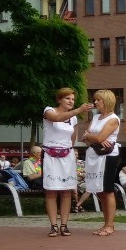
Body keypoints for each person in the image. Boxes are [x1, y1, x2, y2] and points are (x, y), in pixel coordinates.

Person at [42, 87, 94, 236]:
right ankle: (53, 225)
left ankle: (64, 225)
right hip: (50, 154)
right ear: (59, 99)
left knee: (66, 191)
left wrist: (69, 150)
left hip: (66, 154)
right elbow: (57, 118)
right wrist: (78, 110)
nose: (71, 101)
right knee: (51, 191)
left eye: (72, 99)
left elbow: (73, 137)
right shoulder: (49, 111)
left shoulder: (73, 118)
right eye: (67, 98)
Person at [82, 89, 121, 236]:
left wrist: (90, 136)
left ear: (106, 101)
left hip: (107, 157)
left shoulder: (113, 119)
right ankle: (105, 224)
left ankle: (110, 225)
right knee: (100, 191)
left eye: (98, 100)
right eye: (95, 99)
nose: (95, 102)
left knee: (107, 190)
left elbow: (98, 138)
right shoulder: (96, 117)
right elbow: (84, 138)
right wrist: (91, 136)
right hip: (94, 155)